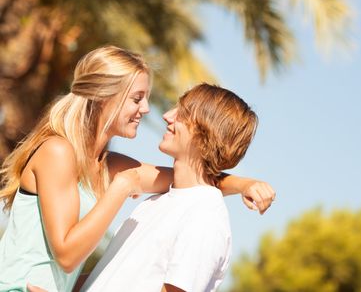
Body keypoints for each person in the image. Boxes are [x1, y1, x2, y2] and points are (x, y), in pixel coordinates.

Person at [0, 46, 275, 292]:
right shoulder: (58, 152)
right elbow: (67, 255)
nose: (146, 109)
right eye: (136, 98)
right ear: (103, 97)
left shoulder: (112, 167)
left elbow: (192, 182)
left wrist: (244, 184)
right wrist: (120, 188)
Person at [81, 83, 259, 292]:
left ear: (206, 133)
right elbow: (110, 277)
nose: (167, 116)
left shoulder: (205, 216)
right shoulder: (158, 201)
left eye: (182, 114)